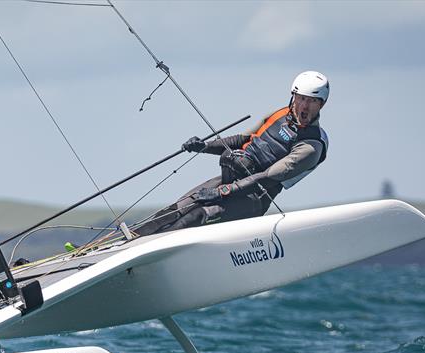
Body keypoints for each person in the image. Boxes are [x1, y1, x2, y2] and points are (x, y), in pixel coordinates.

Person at [133, 71, 329, 236]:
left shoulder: (311, 146)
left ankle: (147, 250)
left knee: (197, 215)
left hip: (253, 198)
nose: (304, 106)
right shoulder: (278, 115)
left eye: (312, 101)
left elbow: (267, 177)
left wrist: (222, 192)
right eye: (301, 98)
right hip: (229, 178)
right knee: (177, 209)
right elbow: (241, 139)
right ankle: (129, 242)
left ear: (321, 105)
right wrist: (204, 146)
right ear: (293, 96)